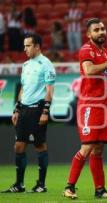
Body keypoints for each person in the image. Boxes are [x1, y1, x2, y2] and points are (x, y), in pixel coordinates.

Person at [63, 18, 107, 199]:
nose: (101, 32)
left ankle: (99, 190)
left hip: (101, 106)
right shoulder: (87, 49)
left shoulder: (102, 51)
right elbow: (88, 70)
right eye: (96, 30)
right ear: (89, 34)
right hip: (89, 105)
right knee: (86, 147)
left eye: (102, 29)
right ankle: (69, 186)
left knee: (98, 148)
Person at [2, 33, 56, 193]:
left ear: (37, 46)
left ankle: (41, 184)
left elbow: (49, 91)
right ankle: (19, 184)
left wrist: (45, 111)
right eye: (24, 45)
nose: (25, 48)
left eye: (28, 45)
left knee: (39, 145)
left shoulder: (46, 65)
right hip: (24, 110)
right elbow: (23, 89)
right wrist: (16, 109)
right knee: (18, 146)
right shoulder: (25, 65)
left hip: (37, 109)